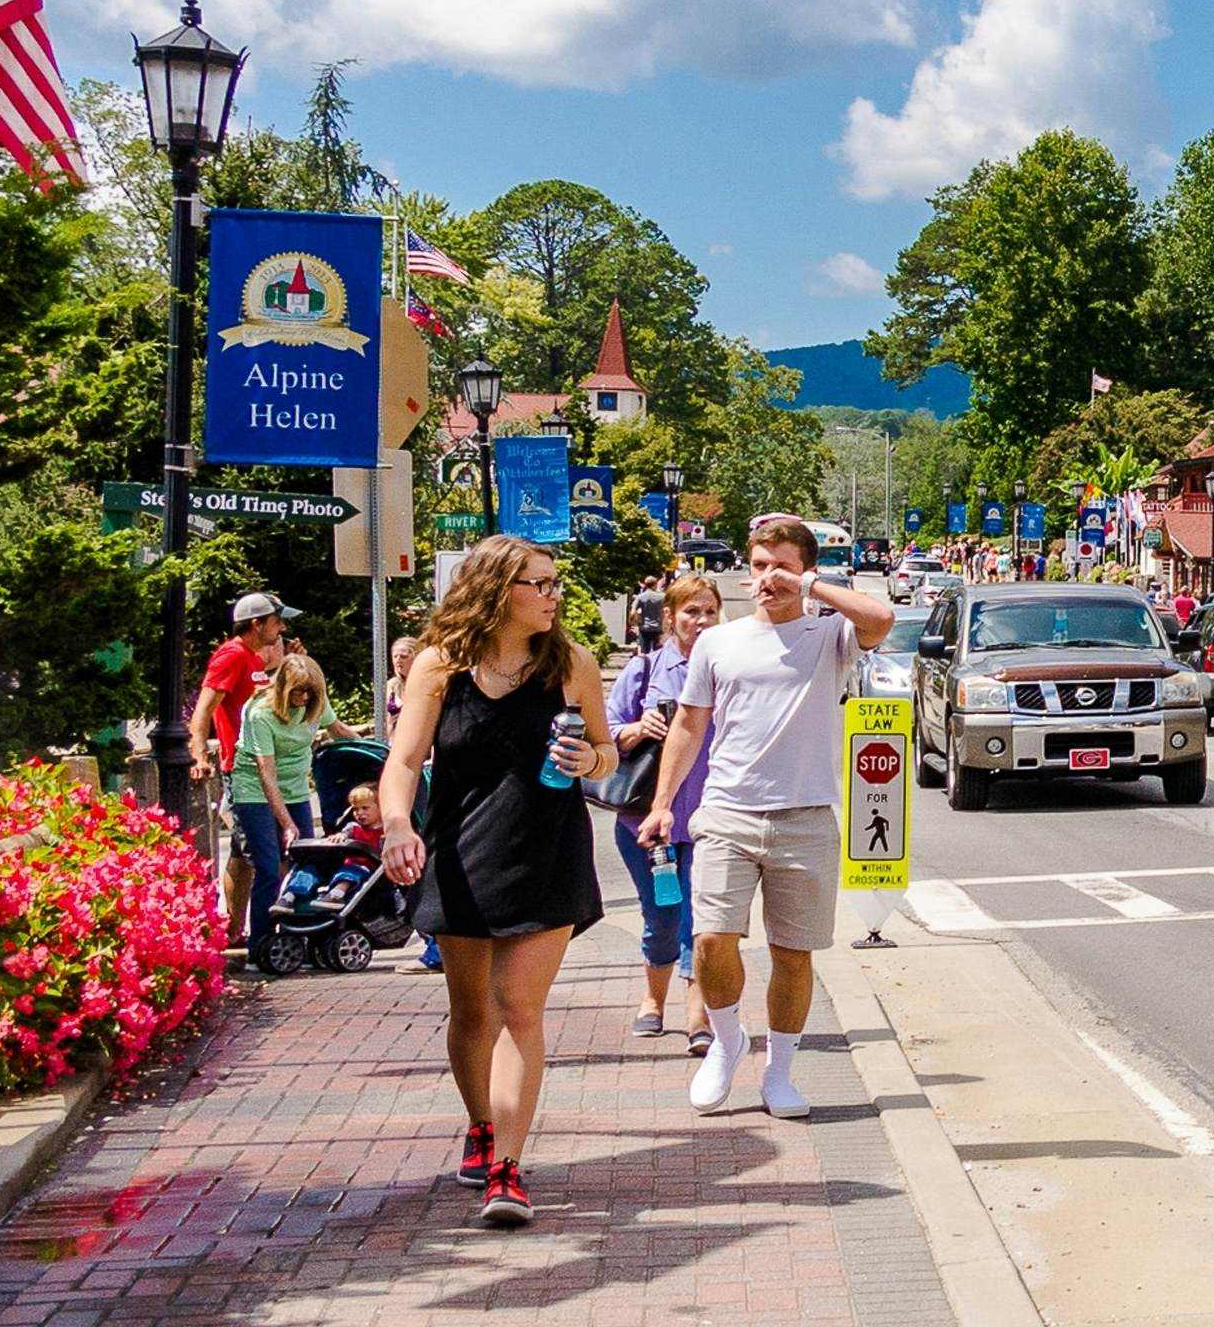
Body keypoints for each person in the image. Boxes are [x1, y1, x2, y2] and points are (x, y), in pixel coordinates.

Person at [377, 536, 615, 1228]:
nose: (553, 595)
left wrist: (587, 761)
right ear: (496, 590)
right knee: (472, 1011)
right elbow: (404, 759)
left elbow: (607, 755)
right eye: (538, 584)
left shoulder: (571, 664)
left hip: (546, 848)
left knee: (519, 1005)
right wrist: (398, 824)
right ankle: (481, 1124)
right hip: (460, 849)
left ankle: (508, 1168)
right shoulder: (439, 666)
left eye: (554, 582)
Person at [641, 514, 896, 1121]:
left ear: (805, 570)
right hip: (726, 810)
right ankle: (728, 1043)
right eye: (759, 567)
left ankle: (780, 1071)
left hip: (805, 818)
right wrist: (660, 803)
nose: (766, 579)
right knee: (709, 940)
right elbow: (688, 724)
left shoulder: (829, 636)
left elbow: (880, 619)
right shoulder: (717, 643)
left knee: (793, 954)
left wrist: (808, 586)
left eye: (780, 566)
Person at [606, 569, 721, 1042]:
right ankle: (653, 997)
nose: (701, 621)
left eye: (711, 612)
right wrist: (638, 728)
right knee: (661, 916)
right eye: (692, 611)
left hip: (710, 818)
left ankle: (699, 1015)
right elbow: (608, 732)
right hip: (647, 823)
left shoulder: (726, 666)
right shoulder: (646, 669)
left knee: (703, 919)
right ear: (671, 617)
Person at [227, 646, 333, 978]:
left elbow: (338, 729)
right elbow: (265, 773)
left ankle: (300, 935)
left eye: (310, 692)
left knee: (307, 860)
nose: (304, 697)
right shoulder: (260, 713)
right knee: (270, 865)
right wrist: (286, 823)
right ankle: (260, 944)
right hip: (255, 790)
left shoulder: (315, 703)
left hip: (296, 788)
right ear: (284, 688)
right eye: (298, 691)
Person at [195, 591, 286, 951]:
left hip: (250, 765)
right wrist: (199, 753)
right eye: (277, 621)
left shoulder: (251, 658)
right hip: (242, 770)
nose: (282, 627)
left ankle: (231, 931)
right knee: (266, 858)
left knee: (241, 853)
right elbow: (205, 708)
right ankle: (259, 939)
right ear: (256, 624)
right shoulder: (232, 656)